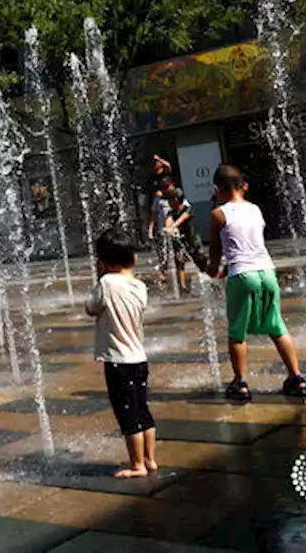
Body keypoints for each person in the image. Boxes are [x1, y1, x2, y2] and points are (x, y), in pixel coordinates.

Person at [205, 164, 306, 402]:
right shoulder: (255, 209)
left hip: (242, 275)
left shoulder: (218, 214)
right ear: (244, 186)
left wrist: (212, 270)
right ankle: (296, 377)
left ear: (216, 189)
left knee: (237, 332)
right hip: (267, 272)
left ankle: (240, 383)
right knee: (277, 327)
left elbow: (216, 249)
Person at [85, 231, 155, 478]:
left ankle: (137, 465)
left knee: (128, 415)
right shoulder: (139, 286)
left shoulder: (105, 284)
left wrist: (99, 277)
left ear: (103, 262)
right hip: (139, 358)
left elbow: (91, 308)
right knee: (142, 410)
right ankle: (150, 459)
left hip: (118, 361)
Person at [164, 187, 206, 292]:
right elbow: (168, 221)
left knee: (201, 263)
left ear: (176, 199)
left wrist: (172, 227)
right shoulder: (171, 212)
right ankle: (182, 288)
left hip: (193, 241)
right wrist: (168, 228)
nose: (168, 202)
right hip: (180, 241)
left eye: (170, 200)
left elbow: (182, 218)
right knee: (179, 262)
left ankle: (209, 281)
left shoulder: (188, 208)